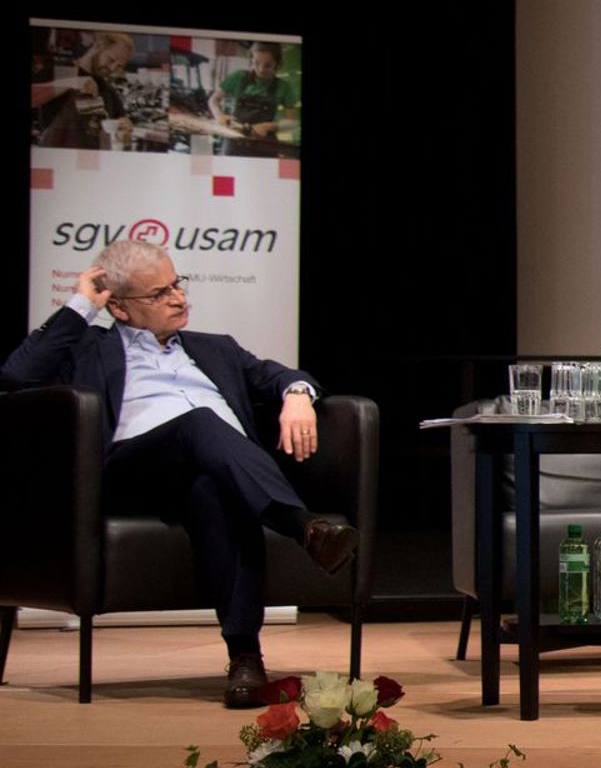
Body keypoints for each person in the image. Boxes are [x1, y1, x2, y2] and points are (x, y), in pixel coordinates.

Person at [1, 241, 359, 707]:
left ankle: (245, 659)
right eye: (159, 293)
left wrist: (296, 395)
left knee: (216, 490)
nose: (178, 298)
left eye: (177, 284)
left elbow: (280, 375)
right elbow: (17, 376)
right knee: (198, 422)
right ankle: (303, 526)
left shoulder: (216, 348)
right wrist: (82, 303)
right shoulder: (91, 348)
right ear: (120, 308)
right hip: (133, 472)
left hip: (208, 473)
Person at [34, 31, 135, 150]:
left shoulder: (107, 90)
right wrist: (72, 82)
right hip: (57, 154)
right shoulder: (61, 71)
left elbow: (120, 120)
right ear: (98, 46)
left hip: (91, 156)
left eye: (119, 66)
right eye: (111, 60)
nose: (112, 68)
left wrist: (124, 126)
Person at [209, 40, 300, 156]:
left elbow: (291, 123)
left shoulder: (284, 87)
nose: (261, 69)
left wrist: (267, 126)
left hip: (265, 147)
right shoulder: (238, 77)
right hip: (233, 145)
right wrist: (219, 115)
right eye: (256, 63)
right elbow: (213, 100)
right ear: (251, 59)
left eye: (268, 65)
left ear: (277, 63)